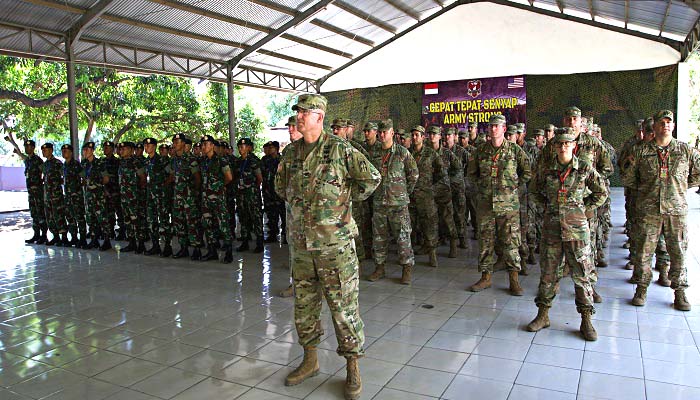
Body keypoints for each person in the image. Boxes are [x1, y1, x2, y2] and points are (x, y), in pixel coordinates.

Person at [275, 94, 380, 400]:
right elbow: (280, 187)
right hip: (302, 247)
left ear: (319, 117)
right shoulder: (291, 153)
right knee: (304, 306)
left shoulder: (339, 149)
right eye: (297, 113)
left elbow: (371, 179)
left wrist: (341, 207)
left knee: (344, 309)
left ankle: (352, 367)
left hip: (335, 247)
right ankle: (310, 360)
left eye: (304, 113)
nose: (298, 117)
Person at [526, 127, 607, 341]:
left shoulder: (585, 168)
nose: (563, 147)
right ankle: (543, 315)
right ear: (554, 147)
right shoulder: (546, 169)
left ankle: (586, 319)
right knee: (549, 273)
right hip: (552, 229)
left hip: (577, 231)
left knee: (582, 274)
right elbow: (533, 191)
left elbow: (601, 192)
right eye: (559, 143)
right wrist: (547, 207)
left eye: (567, 143)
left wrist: (584, 209)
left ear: (574, 146)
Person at [623, 110, 700, 310]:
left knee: (678, 252)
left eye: (669, 122)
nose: (665, 125)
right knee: (643, 252)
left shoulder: (685, 151)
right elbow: (629, 179)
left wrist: (679, 189)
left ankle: (680, 292)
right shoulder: (641, 151)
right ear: (654, 126)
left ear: (673, 126)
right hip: (648, 211)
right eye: (661, 122)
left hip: (676, 211)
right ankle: (641, 289)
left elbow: (697, 175)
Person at [467, 115, 531, 296]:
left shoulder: (515, 151)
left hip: (508, 206)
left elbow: (526, 172)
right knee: (485, 242)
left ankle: (514, 279)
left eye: (497, 126)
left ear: (504, 129)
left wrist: (514, 190)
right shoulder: (479, 151)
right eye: (491, 126)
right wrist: (481, 190)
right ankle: (486, 277)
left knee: (510, 242)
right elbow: (471, 175)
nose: (493, 129)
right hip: (486, 205)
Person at [366, 119, 419, 284]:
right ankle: (380, 267)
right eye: (380, 132)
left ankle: (407, 268)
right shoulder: (374, 153)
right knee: (379, 238)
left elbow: (414, 175)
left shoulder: (402, 153)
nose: (382, 135)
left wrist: (403, 193)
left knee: (403, 237)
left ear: (392, 133)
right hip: (379, 203)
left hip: (399, 205)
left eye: (385, 132)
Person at [409, 125, 444, 268]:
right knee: (410, 226)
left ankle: (432, 254)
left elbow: (441, 174)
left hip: (426, 196)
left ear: (423, 137)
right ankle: (409, 256)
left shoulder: (431, 154)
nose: (414, 137)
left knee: (429, 225)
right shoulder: (407, 153)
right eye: (413, 135)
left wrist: (431, 190)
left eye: (417, 135)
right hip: (411, 196)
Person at [198, 135, 234, 263]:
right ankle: (212, 251)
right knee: (208, 224)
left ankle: (229, 252)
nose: (203, 147)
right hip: (205, 198)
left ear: (212, 145)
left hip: (218, 198)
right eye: (202, 144)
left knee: (222, 223)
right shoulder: (202, 161)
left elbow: (229, 177)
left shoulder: (221, 160)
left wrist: (218, 186)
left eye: (206, 144)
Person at [279, 115, 302, 299]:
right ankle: (295, 284)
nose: (290, 130)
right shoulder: (288, 151)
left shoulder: (316, 148)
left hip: (313, 211)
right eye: (289, 127)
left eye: (294, 127)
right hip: (292, 208)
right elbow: (280, 179)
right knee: (294, 246)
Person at [170, 134, 203, 260]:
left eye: (178, 141)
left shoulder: (191, 159)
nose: (175, 144)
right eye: (174, 141)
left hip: (189, 198)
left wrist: (193, 195)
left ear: (184, 144)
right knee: (179, 223)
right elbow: (173, 177)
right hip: (177, 197)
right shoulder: (174, 160)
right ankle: (183, 248)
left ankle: (196, 249)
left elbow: (198, 179)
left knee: (192, 224)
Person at [428, 126, 459, 257]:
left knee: (448, 218)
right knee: (432, 219)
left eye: (435, 134)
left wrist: (449, 181)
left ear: (440, 136)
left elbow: (457, 169)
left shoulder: (447, 153)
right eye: (430, 134)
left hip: (444, 191)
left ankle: (453, 242)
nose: (432, 136)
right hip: (430, 191)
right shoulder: (426, 153)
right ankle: (431, 246)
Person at [143, 138, 173, 257]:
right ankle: (155, 245)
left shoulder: (162, 160)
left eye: (149, 145)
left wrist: (163, 186)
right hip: (150, 196)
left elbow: (171, 175)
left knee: (164, 221)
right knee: (151, 221)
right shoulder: (146, 161)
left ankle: (167, 246)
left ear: (154, 147)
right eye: (145, 145)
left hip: (161, 196)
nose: (146, 147)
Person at [80, 142, 112, 251]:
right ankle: (94, 240)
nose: (85, 152)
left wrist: (98, 186)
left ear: (92, 151)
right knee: (90, 218)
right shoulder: (84, 164)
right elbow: (83, 179)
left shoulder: (99, 163)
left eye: (88, 150)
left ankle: (107, 241)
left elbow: (106, 179)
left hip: (98, 196)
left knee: (102, 218)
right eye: (84, 150)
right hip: (88, 196)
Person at [235, 137, 264, 253]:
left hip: (252, 195)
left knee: (256, 217)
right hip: (241, 194)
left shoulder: (254, 161)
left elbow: (259, 178)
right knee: (243, 217)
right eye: (239, 147)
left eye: (243, 147)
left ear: (249, 148)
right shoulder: (238, 161)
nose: (241, 149)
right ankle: (245, 242)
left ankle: (259, 242)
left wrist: (252, 189)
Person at [17, 139, 47, 244]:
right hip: (31, 192)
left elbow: (45, 172)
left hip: (38, 192)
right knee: (34, 214)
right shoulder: (28, 161)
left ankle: (44, 235)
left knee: (41, 213)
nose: (27, 149)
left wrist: (41, 184)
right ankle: (36, 234)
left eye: (29, 147)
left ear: (33, 148)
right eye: (25, 147)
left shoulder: (38, 160)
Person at [444, 127, 469, 249]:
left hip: (458, 188)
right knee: (447, 214)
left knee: (460, 215)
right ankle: (447, 238)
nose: (447, 137)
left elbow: (471, 164)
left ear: (454, 137)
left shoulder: (461, 151)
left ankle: (462, 238)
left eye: (449, 135)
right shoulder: (442, 151)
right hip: (445, 189)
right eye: (446, 135)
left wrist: (465, 179)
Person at [41, 143, 68, 245]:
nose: (44, 152)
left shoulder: (57, 163)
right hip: (47, 195)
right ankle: (56, 236)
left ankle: (64, 236)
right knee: (50, 217)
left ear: (51, 151)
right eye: (43, 150)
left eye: (46, 150)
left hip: (56, 195)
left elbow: (64, 176)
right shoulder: (45, 164)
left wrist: (57, 184)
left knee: (59, 215)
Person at [61, 144, 87, 248]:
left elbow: (84, 177)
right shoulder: (64, 165)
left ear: (71, 152)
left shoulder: (76, 164)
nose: (64, 153)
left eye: (66, 151)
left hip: (76, 196)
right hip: (67, 196)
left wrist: (78, 188)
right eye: (63, 151)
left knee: (79, 217)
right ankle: (74, 237)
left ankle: (83, 239)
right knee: (70, 217)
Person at [261, 141, 284, 243]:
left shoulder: (282, 160)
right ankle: (272, 234)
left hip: (279, 192)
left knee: (283, 214)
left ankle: (285, 235)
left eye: (272, 148)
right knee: (270, 213)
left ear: (277, 149)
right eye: (269, 148)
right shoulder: (265, 160)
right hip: (268, 191)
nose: (269, 150)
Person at [102, 141, 123, 240]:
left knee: (119, 211)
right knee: (108, 212)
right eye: (104, 147)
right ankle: (110, 231)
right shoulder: (101, 162)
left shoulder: (117, 161)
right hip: (105, 191)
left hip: (115, 190)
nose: (105, 149)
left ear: (112, 149)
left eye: (108, 147)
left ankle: (122, 231)